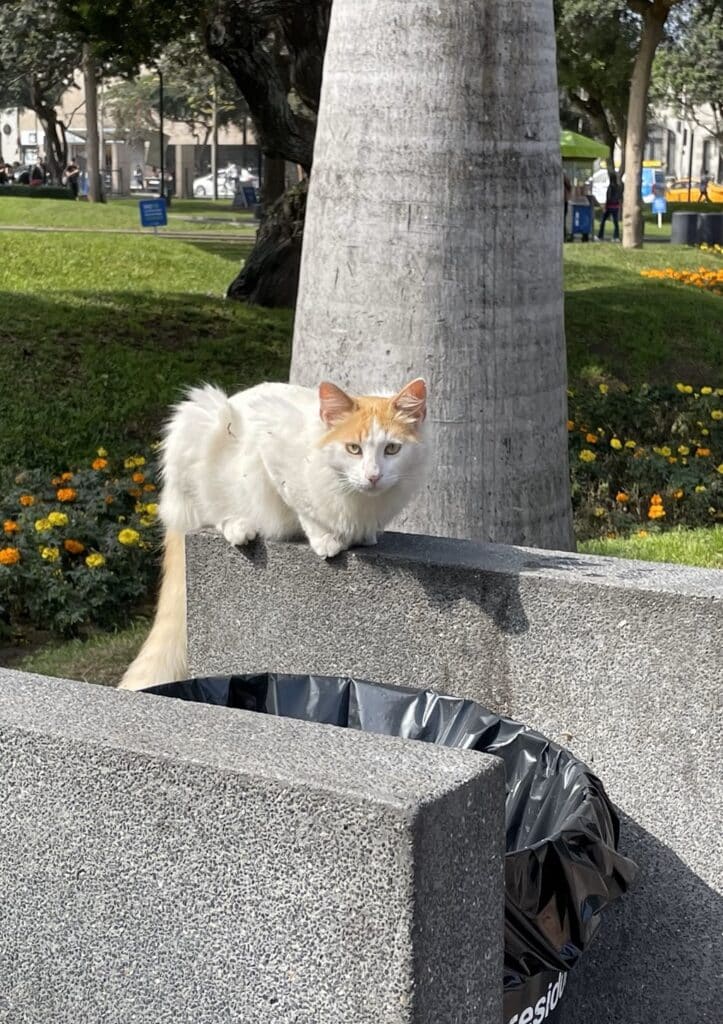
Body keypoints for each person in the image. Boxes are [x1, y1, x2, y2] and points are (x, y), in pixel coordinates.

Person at [597, 172, 621, 241]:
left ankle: (600, 236)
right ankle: (616, 236)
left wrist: (605, 206)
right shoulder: (618, 187)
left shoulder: (610, 187)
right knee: (615, 222)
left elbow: (608, 197)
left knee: (603, 221)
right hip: (615, 206)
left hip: (609, 206)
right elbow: (619, 197)